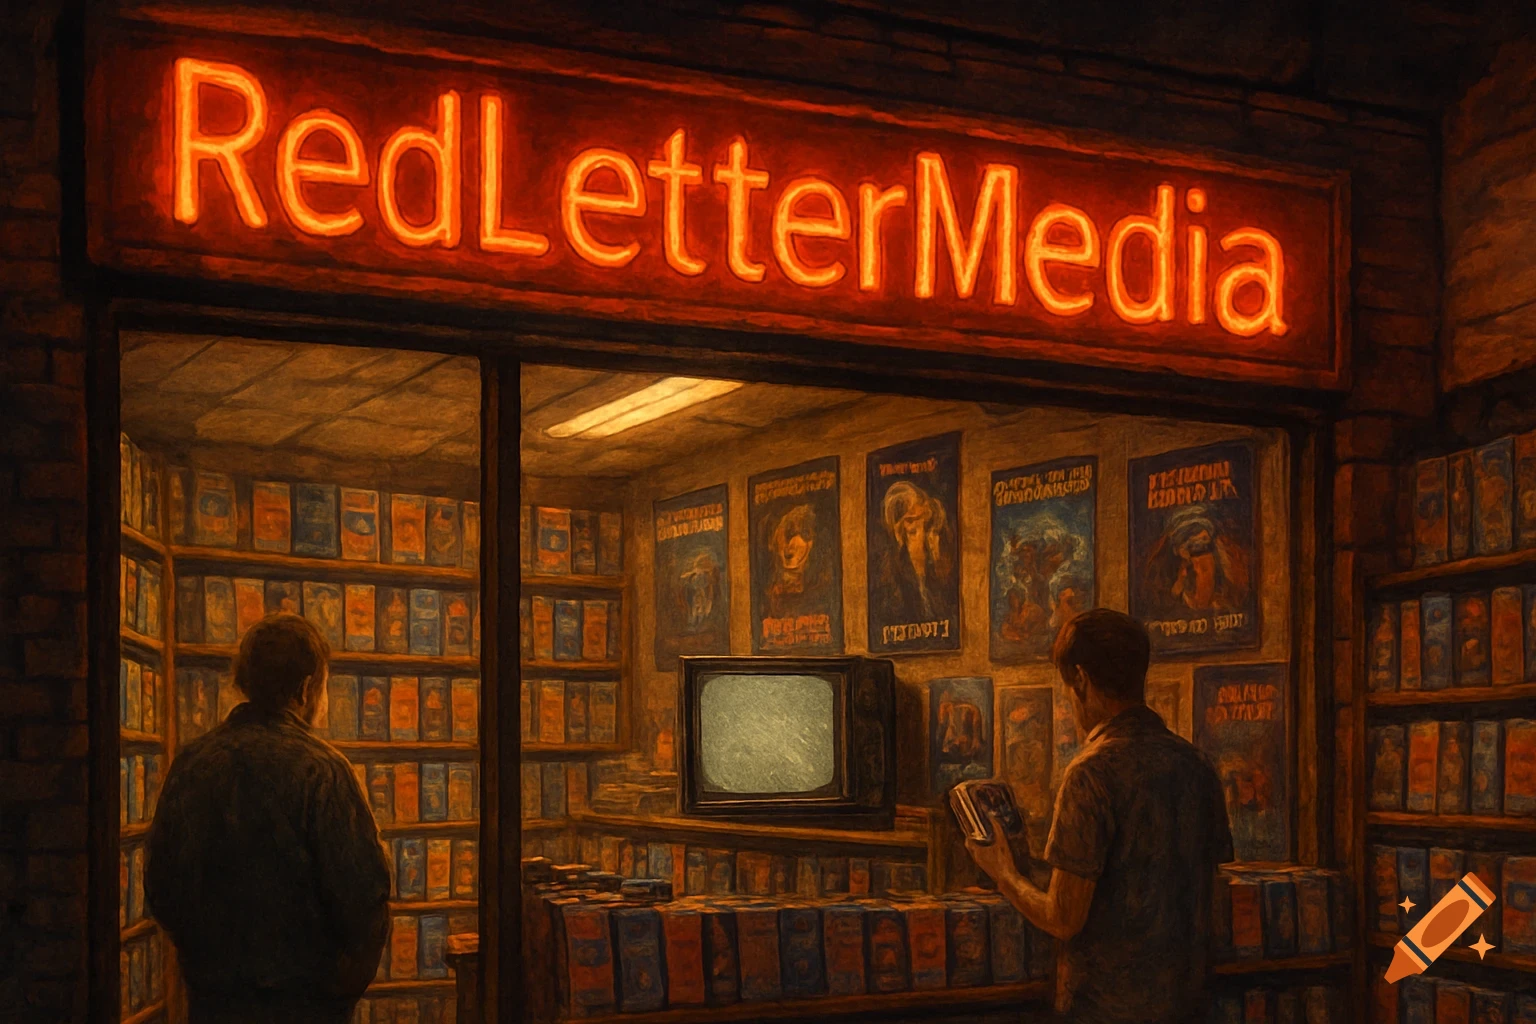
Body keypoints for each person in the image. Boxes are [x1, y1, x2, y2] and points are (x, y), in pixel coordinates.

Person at [965, 609, 1234, 1024]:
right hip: (1188, 1004)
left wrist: (1004, 874)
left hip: (1104, 1008)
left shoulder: (1090, 772)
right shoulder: (1196, 764)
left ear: (1081, 680)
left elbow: (1064, 918)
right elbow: (1209, 893)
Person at [146, 614, 390, 1024]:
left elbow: (162, 889)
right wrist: (338, 993)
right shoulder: (322, 770)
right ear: (307, 688)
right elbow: (366, 901)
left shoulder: (192, 763)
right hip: (307, 1006)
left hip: (214, 1004)